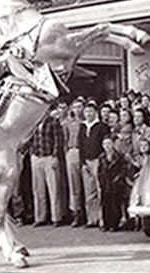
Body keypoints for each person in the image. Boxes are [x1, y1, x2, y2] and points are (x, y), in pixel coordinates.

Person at [31, 109, 64, 227]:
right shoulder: (34, 122)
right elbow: (30, 139)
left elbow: (57, 140)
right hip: (36, 156)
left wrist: (55, 156)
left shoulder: (53, 122)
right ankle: (40, 217)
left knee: (54, 188)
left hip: (49, 156)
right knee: (38, 189)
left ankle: (56, 217)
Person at [78, 101, 109, 228]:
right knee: (89, 192)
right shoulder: (83, 127)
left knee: (100, 190)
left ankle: (103, 218)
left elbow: (105, 144)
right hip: (86, 162)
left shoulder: (101, 126)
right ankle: (92, 219)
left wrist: (102, 161)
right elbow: (80, 145)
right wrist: (82, 162)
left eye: (91, 111)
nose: (88, 114)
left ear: (95, 112)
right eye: (86, 112)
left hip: (98, 160)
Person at [63, 98, 86, 227]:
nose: (78, 109)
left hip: (85, 152)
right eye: (75, 107)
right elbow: (65, 139)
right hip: (72, 152)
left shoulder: (85, 122)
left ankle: (91, 215)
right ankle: (77, 213)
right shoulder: (68, 123)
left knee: (88, 185)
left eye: (80, 107)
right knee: (74, 185)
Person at [97, 134, 126, 232]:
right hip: (105, 184)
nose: (107, 146)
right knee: (105, 204)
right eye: (105, 144)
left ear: (113, 144)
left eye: (109, 143)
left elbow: (123, 170)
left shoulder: (119, 156)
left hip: (116, 184)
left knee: (115, 204)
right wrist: (101, 182)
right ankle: (106, 224)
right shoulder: (102, 157)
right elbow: (99, 171)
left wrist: (117, 179)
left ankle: (114, 224)